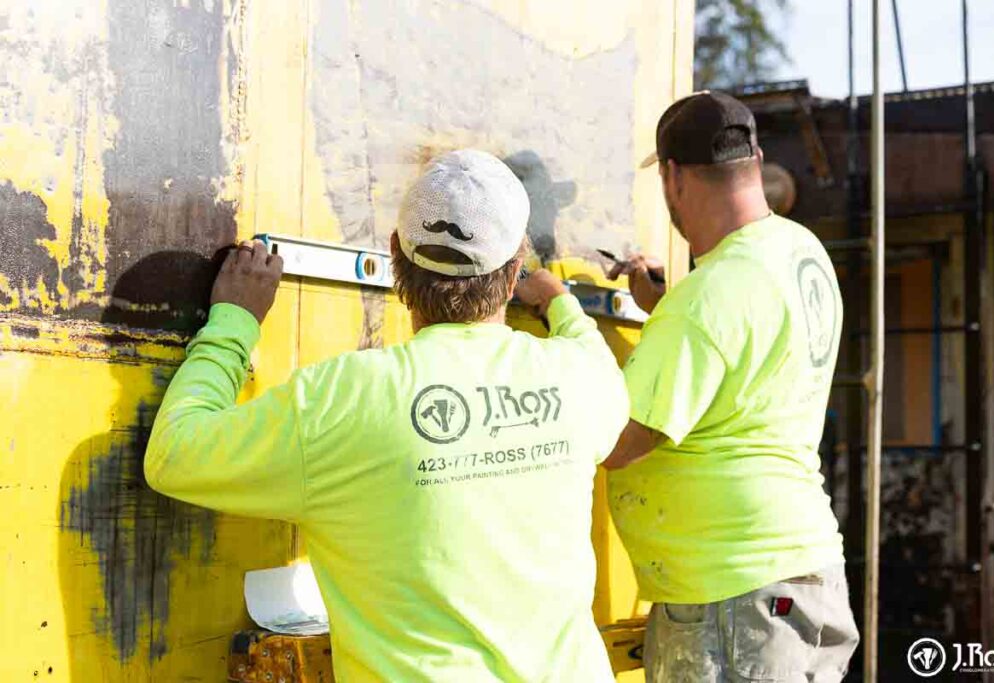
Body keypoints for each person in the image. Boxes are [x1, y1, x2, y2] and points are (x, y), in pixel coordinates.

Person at [144, 150, 629, 681]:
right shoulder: (578, 375)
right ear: (514, 272)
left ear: (395, 254)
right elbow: (592, 355)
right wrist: (559, 302)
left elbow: (175, 454)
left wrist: (233, 323)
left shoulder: (342, 399)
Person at [603, 92, 859, 681]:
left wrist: (564, 322)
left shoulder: (706, 300)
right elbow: (746, 346)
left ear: (672, 177)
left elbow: (617, 442)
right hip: (805, 576)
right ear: (757, 160)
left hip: (733, 594)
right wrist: (666, 309)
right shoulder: (800, 251)